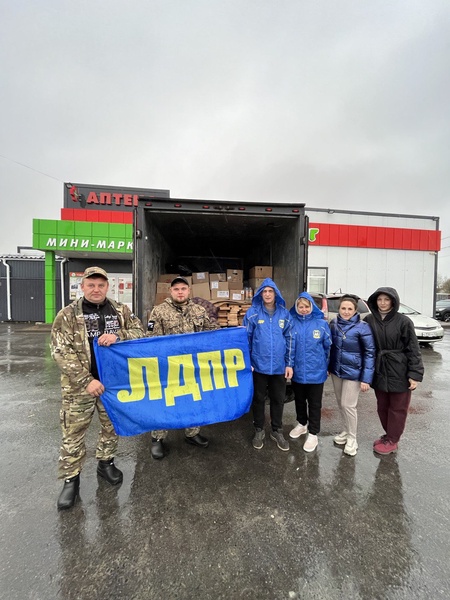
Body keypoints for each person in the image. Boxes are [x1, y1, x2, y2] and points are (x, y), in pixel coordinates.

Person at [51, 266, 145, 510]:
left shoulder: (120, 310)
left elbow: (140, 331)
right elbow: (61, 351)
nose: (96, 289)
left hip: (113, 384)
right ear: (82, 287)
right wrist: (86, 380)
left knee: (111, 426)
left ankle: (106, 463)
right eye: (91, 285)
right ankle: (71, 480)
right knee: (73, 434)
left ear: (107, 286)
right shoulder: (68, 314)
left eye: (100, 285)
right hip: (79, 387)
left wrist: (119, 335)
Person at [147, 276, 220, 459]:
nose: (180, 292)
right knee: (164, 402)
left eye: (183, 288)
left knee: (193, 399)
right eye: (176, 289)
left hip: (192, 368)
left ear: (189, 291)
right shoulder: (159, 311)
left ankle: (192, 433)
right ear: (170, 291)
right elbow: (151, 340)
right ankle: (158, 438)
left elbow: (210, 332)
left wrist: (231, 334)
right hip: (167, 368)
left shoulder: (199, 310)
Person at [365, 287, 424, 455]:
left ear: (393, 301)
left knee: (398, 408)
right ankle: (388, 435)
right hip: (380, 369)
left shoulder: (403, 321)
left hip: (400, 369)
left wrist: (414, 374)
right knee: (382, 406)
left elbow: (413, 348)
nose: (382, 303)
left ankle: (393, 440)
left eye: (386, 299)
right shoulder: (370, 320)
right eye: (379, 300)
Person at [243, 278, 293, 451]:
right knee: (258, 399)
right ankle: (259, 429)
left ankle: (277, 430)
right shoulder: (253, 313)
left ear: (276, 294)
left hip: (279, 366)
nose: (267, 294)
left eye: (270, 291)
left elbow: (290, 339)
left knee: (278, 399)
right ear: (260, 294)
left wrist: (289, 364)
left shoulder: (284, 314)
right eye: (264, 291)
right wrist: (247, 362)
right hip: (258, 365)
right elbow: (245, 339)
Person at [328, 294, 376, 456]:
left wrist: (366, 378)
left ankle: (353, 438)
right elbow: (330, 347)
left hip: (354, 372)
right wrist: (328, 366)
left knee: (349, 405)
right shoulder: (334, 323)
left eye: (350, 309)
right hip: (336, 371)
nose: (346, 312)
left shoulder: (363, 327)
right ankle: (345, 430)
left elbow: (370, 352)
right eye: (343, 308)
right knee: (341, 404)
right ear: (339, 309)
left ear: (355, 310)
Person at [288, 292, 331, 452]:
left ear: (312, 307)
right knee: (299, 400)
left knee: (314, 404)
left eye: (307, 306)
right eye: (301, 306)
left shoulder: (321, 324)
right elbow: (289, 348)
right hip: (297, 371)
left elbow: (328, 347)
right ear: (296, 307)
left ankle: (313, 433)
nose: (304, 309)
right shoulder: (291, 323)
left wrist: (327, 366)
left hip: (316, 372)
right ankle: (302, 424)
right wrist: (289, 365)